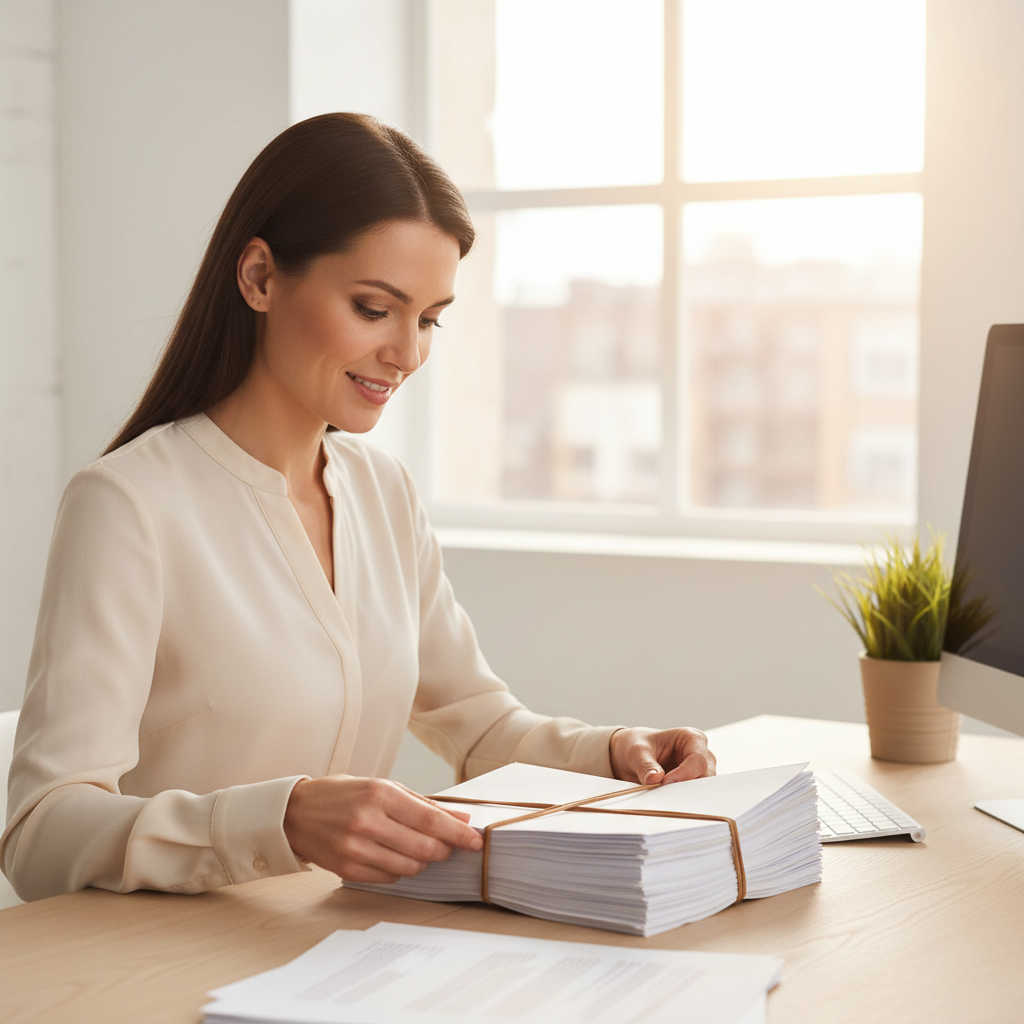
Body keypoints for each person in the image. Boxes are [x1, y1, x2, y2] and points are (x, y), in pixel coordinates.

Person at [2, 113, 715, 902]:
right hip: (162, 972)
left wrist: (612, 751)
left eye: (430, 319)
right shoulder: (129, 505)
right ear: (261, 278)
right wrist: (279, 820)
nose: (407, 354)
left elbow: (476, 725)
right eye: (375, 309)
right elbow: (40, 833)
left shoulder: (384, 493)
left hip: (338, 954)